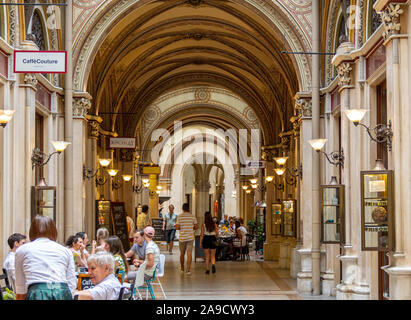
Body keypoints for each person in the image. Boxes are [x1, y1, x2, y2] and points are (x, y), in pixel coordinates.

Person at [14, 215, 77, 300]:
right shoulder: (65, 251)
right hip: (62, 292)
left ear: (32, 231)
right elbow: (71, 283)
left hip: (37, 294)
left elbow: (21, 287)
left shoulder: (22, 250)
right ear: (54, 231)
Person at [175, 203, 198, 275]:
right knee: (189, 253)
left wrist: (180, 227)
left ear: (182, 208)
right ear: (189, 208)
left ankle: (182, 268)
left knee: (182, 253)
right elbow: (196, 226)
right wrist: (191, 228)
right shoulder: (192, 216)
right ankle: (188, 270)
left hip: (182, 238)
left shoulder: (179, 216)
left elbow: (177, 227)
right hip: (190, 237)